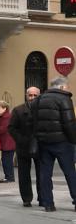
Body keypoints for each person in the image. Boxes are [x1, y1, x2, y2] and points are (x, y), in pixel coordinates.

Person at [32, 76, 76, 212]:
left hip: (44, 142)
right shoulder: (64, 99)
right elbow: (69, 123)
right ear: (62, 87)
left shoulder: (39, 100)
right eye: (66, 86)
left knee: (45, 173)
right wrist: (73, 140)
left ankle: (48, 203)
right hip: (62, 142)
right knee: (70, 172)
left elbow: (33, 122)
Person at [8, 87, 42, 207]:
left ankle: (43, 197)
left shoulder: (44, 109)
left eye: (35, 95)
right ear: (26, 95)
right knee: (23, 174)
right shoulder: (18, 110)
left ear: (39, 95)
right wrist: (21, 139)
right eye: (30, 95)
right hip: (23, 146)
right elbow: (11, 128)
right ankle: (26, 198)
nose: (32, 98)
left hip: (40, 145)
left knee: (42, 173)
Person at [0, 101, 16, 183]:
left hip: (8, 142)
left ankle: (9, 177)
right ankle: (8, 176)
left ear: (4, 108)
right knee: (6, 160)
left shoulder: (6, 117)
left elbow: (1, 130)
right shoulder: (2, 116)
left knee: (7, 161)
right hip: (7, 142)